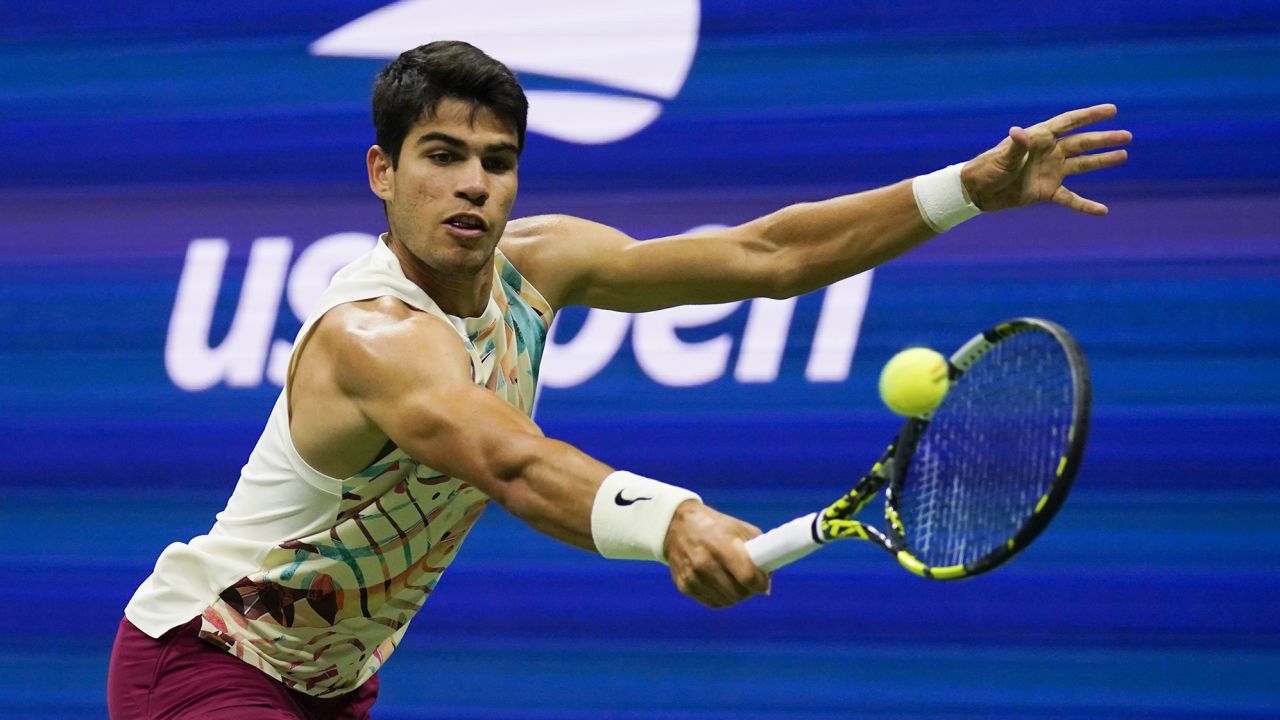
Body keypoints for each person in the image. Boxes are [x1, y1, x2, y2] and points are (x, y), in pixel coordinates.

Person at [107, 40, 1130, 719]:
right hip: (207, 660)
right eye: (440, 155)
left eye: (496, 161)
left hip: (334, 678)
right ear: (382, 171)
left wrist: (964, 191)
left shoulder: (537, 268)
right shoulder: (372, 337)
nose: (472, 183)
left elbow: (765, 256)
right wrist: (672, 520)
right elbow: (510, 462)